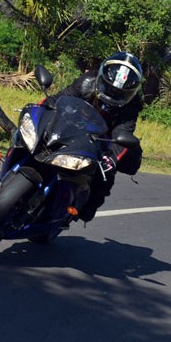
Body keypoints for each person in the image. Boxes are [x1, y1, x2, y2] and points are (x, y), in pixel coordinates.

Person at [47, 51, 145, 223]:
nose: (113, 95)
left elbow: (124, 132)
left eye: (121, 93)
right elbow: (59, 99)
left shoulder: (133, 104)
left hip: (101, 139)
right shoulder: (86, 81)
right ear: (100, 79)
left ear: (131, 92)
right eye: (109, 88)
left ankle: (84, 206)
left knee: (105, 175)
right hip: (70, 126)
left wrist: (111, 160)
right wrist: (39, 111)